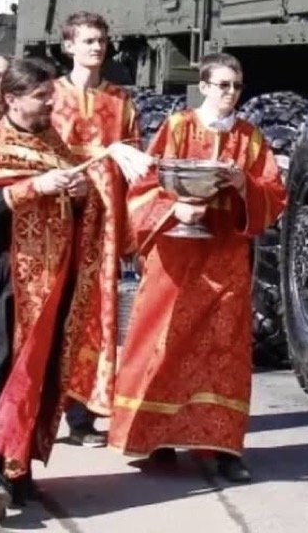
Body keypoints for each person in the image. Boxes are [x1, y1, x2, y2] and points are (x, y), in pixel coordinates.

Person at [0, 58, 126, 524]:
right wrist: (33, 187)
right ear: (13, 99)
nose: (51, 104)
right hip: (1, 281)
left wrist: (81, 192)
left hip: (50, 288)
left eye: (52, 95)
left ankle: (15, 470)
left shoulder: (53, 142)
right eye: (42, 97)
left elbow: (82, 205)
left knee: (37, 378)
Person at [107, 53, 286, 482]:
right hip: (176, 256)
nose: (230, 94)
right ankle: (157, 436)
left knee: (222, 350)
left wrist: (246, 185)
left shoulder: (250, 137)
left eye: (237, 86)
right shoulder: (178, 128)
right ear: (203, 86)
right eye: (222, 85)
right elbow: (147, 185)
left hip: (224, 255)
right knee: (164, 340)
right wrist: (175, 210)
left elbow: (275, 194)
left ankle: (222, 446)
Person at [50, 11, 154, 447]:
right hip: (56, 216)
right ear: (69, 46)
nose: (97, 47)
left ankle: (80, 413)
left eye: (102, 41)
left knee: (95, 312)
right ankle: (39, 408)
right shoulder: (50, 95)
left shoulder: (120, 101)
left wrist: (133, 231)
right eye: (88, 40)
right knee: (51, 307)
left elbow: (134, 169)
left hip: (103, 224)